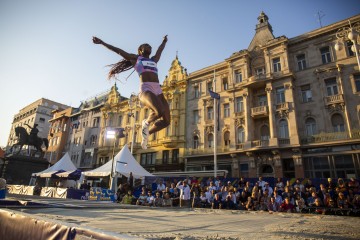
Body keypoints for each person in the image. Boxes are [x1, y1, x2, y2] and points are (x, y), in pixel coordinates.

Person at [93, 35, 170, 149]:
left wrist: (164, 42)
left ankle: (147, 133)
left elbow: (160, 50)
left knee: (166, 121)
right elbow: (119, 51)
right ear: (140, 50)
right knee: (159, 111)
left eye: (149, 46)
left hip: (158, 90)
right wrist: (102, 43)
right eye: (145, 45)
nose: (148, 46)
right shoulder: (136, 59)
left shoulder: (154, 60)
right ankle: (146, 123)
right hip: (146, 89)